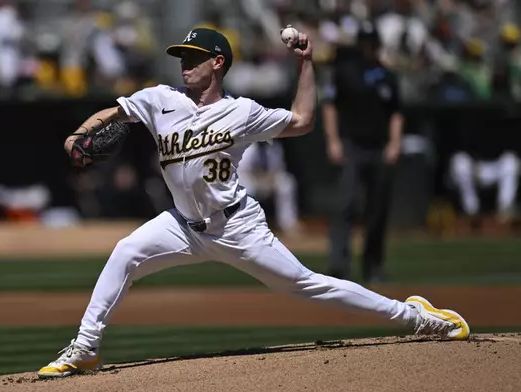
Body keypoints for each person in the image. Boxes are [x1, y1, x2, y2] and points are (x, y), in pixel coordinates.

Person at [37, 26, 470, 378]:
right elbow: (108, 116)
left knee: (306, 284)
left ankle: (416, 316)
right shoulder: (158, 100)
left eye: (193, 57)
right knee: (125, 251)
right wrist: (76, 137)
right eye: (181, 58)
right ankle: (86, 347)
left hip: (238, 227)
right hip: (182, 225)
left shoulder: (242, 112)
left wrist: (304, 64)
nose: (184, 64)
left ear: (217, 62)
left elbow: (302, 122)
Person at [323, 21, 403, 283]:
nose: (369, 48)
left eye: (373, 44)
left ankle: (373, 266)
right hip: (351, 145)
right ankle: (339, 265)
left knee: (378, 210)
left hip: (379, 147)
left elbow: (395, 113)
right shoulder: (345, 72)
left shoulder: (387, 75)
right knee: (345, 205)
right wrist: (333, 140)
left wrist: (394, 143)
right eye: (365, 43)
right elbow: (330, 106)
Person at [237, 140, 301, 235]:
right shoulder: (247, 148)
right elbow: (245, 172)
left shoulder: (274, 147)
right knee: (247, 187)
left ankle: (288, 224)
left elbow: (278, 169)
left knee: (286, 183)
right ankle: (246, 224)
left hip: (268, 181)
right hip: (251, 181)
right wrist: (262, 180)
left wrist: (269, 181)